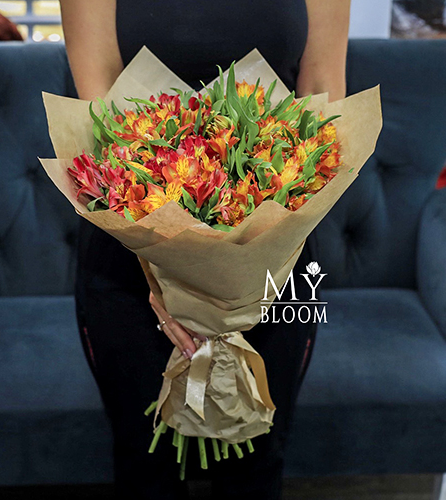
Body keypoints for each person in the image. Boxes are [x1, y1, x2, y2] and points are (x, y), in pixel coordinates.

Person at [59, 1, 350, 498]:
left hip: (277, 261)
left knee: (258, 464)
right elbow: (99, 105)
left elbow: (323, 90)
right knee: (146, 466)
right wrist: (168, 275)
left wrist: (260, 264)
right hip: (131, 260)